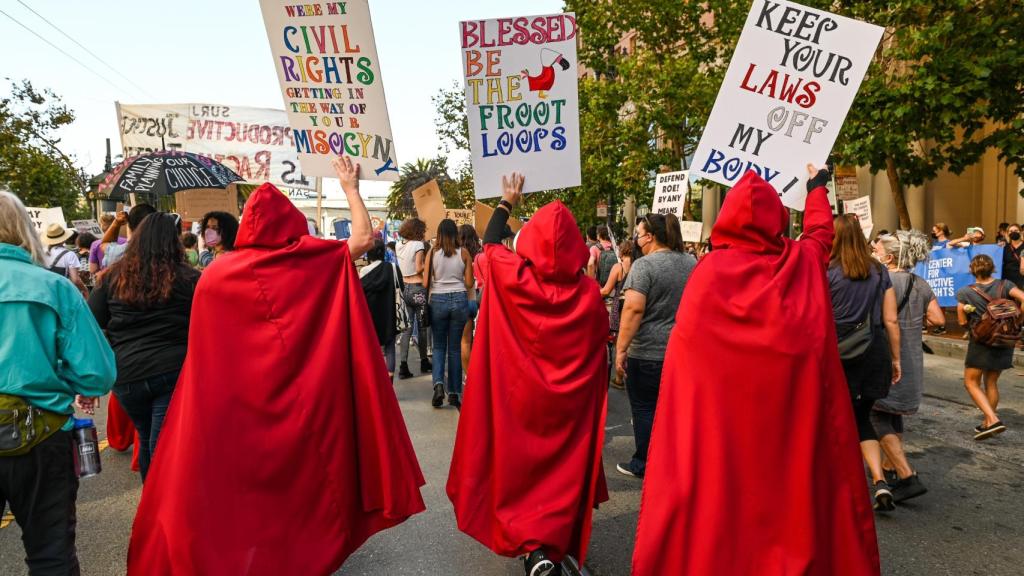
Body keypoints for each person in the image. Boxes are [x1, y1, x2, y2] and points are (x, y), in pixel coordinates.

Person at [127, 157, 425, 575]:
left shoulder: (216, 277)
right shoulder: (313, 262)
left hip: (234, 417)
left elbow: (204, 363)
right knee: (300, 502)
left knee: (242, 508)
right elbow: (363, 236)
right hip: (302, 413)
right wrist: (350, 187)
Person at [632, 168, 881, 576]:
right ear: (779, 220)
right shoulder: (800, 262)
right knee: (791, 507)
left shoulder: (709, 272)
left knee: (726, 512)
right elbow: (821, 235)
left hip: (725, 430)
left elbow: (690, 362)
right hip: (788, 424)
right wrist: (817, 187)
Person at [448, 174, 609, 576]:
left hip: (519, 397)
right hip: (567, 406)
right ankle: (546, 546)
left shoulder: (510, 275)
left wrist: (507, 201)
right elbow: (597, 349)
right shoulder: (588, 296)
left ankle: (533, 546)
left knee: (522, 472)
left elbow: (489, 243)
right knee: (559, 474)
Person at [0, 189, 116, 575]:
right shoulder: (53, 287)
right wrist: (57, 376)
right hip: (42, 433)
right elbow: (97, 374)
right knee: (50, 554)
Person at [88, 212, 199, 481]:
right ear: (173, 242)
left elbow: (93, 322)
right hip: (173, 371)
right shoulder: (190, 279)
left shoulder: (112, 277)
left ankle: (152, 503)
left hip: (127, 375)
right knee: (162, 444)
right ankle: (161, 508)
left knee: (148, 435)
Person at [829, 212, 902, 511]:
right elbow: (890, 319)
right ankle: (878, 480)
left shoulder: (827, 271)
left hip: (836, 356)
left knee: (830, 420)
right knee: (862, 418)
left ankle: (836, 484)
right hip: (874, 352)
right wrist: (896, 359)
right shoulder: (879, 271)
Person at [614, 213, 696, 478]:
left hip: (647, 351)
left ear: (649, 237)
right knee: (674, 409)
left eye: (638, 234)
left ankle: (645, 463)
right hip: (681, 351)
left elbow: (633, 309)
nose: (636, 239)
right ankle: (675, 460)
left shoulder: (644, 266)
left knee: (644, 408)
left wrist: (621, 348)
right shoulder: (691, 263)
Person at [871, 231, 946, 504]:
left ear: (889, 257)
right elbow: (937, 319)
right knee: (893, 414)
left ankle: (905, 474)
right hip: (913, 360)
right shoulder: (921, 283)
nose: (874, 254)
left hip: (888, 358)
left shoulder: (883, 280)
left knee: (875, 415)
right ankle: (890, 468)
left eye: (877, 250)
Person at [956, 254, 1024, 440]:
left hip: (981, 342)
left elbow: (962, 321)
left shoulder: (965, 292)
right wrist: (1018, 320)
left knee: (970, 382)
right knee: (991, 382)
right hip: (1004, 339)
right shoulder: (1006, 285)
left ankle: (992, 419)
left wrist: (968, 316)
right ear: (992, 268)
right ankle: (988, 424)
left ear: (972, 270)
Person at [423, 219, 473, 409]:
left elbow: (426, 282)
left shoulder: (432, 253)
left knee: (438, 347)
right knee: (454, 348)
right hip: (459, 299)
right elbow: (469, 283)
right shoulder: (464, 253)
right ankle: (454, 392)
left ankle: (438, 385)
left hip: (438, 300)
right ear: (456, 234)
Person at [359, 238, 404, 381]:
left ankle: (374, 378)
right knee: (390, 347)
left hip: (370, 315)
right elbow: (401, 287)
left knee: (372, 348)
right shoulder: (392, 268)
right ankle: (389, 379)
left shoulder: (363, 272)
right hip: (390, 314)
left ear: (369, 254)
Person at [396, 217, 431, 379]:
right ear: (418, 231)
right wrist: (430, 262)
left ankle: (403, 365)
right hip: (418, 289)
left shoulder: (398, 245)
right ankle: (424, 361)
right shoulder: (418, 245)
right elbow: (419, 268)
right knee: (422, 327)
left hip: (405, 289)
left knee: (407, 329)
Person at [601, 239, 633, 390]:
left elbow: (607, 290)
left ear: (622, 250)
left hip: (619, 307)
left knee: (618, 342)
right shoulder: (638, 266)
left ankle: (619, 377)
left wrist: (593, 291)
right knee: (630, 340)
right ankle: (627, 373)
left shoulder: (618, 267)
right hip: (633, 304)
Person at [100, 204, 157, 269]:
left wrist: (116, 223)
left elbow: (104, 244)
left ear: (129, 226)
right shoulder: (167, 249)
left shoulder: (120, 253)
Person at [40, 223, 89, 296]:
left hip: (44, 291)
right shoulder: (69, 255)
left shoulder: (40, 252)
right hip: (61, 293)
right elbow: (75, 280)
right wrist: (85, 289)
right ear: (64, 239)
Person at [459, 224, 482, 375]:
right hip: (481, 297)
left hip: (464, 297)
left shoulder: (458, 254)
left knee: (464, 341)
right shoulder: (481, 253)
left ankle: (469, 376)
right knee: (478, 340)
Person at [1001, 223, 1023, 289]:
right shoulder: (1004, 247)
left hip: (1022, 280)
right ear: (1007, 234)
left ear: (1021, 232)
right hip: (1007, 281)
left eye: (1016, 231)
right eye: (1011, 231)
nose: (1013, 232)